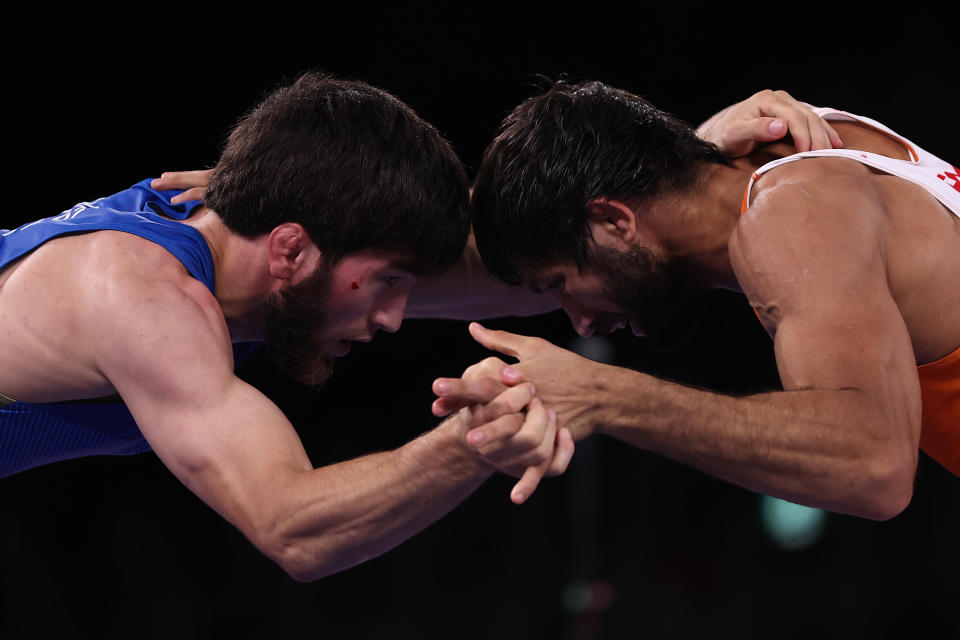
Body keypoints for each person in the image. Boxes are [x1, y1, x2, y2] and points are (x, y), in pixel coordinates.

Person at [0, 73, 839, 581]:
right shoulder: (143, 299)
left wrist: (683, 172)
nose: (400, 315)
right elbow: (292, 526)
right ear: (290, 249)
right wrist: (472, 439)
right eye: (390, 283)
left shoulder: (272, 225)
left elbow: (517, 272)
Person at [434, 81, 959, 521]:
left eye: (558, 285)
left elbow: (874, 464)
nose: (580, 321)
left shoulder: (792, 212)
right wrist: (698, 140)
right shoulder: (812, 141)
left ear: (616, 220)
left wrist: (603, 393)